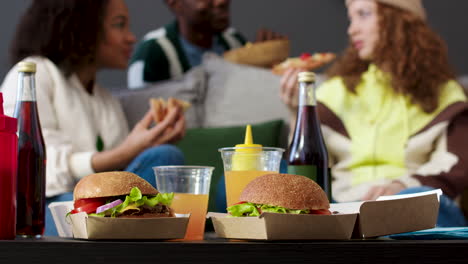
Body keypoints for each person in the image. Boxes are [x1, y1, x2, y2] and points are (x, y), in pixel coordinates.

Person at [0, 0, 186, 236]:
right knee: (72, 206)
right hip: (44, 204)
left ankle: (129, 225)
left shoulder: (105, 99)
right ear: (83, 27)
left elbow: (121, 174)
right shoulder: (35, 72)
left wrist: (152, 139)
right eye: (120, 25)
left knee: (165, 155)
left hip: (105, 205)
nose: (131, 38)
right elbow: (42, 168)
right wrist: (126, 151)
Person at [280, 0, 468, 226]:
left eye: (363, 14)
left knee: (412, 202)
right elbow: (306, 170)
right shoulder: (333, 92)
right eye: (351, 18)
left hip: (417, 203)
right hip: (348, 208)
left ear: (398, 20)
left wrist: (403, 187)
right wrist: (297, 114)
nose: (352, 29)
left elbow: (455, 167)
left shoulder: (446, 93)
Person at [127, 0, 286, 89]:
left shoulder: (233, 41)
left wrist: (263, 67)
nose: (221, 1)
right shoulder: (152, 53)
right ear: (174, 3)